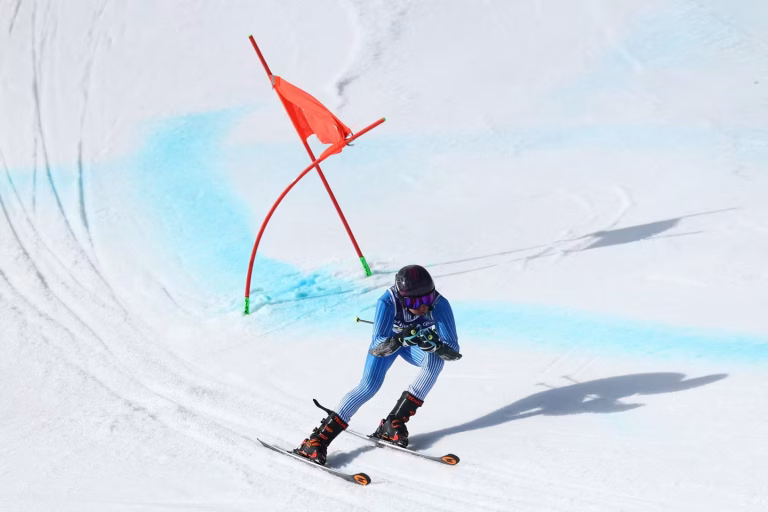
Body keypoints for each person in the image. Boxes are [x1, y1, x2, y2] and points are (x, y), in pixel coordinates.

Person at [295, 264, 462, 465]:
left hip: (412, 347)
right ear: (402, 298)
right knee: (369, 387)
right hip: (389, 345)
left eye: (427, 298)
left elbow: (453, 352)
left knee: (435, 361)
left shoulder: (439, 304)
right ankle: (317, 440)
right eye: (416, 302)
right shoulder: (387, 302)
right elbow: (376, 346)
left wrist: (435, 345)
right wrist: (400, 339)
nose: (424, 307)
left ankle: (393, 423)